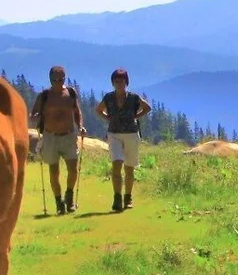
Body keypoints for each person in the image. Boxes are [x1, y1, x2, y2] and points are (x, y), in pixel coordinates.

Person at [30, 65, 85, 215]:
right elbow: (33, 115)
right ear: (50, 79)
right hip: (51, 136)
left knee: (73, 170)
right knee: (54, 172)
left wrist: (80, 126)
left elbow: (76, 111)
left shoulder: (71, 93)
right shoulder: (44, 96)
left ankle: (69, 196)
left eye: (61, 79)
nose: (58, 82)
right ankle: (59, 202)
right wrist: (37, 117)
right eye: (55, 79)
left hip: (69, 135)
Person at [95, 68, 151, 211]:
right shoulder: (108, 98)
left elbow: (147, 108)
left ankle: (128, 197)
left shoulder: (133, 97)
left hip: (131, 134)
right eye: (116, 81)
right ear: (113, 82)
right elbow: (98, 110)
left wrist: (135, 116)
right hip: (114, 134)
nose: (119, 83)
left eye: (122, 81)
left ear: (126, 82)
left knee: (129, 168)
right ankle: (117, 198)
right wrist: (108, 118)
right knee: (116, 165)